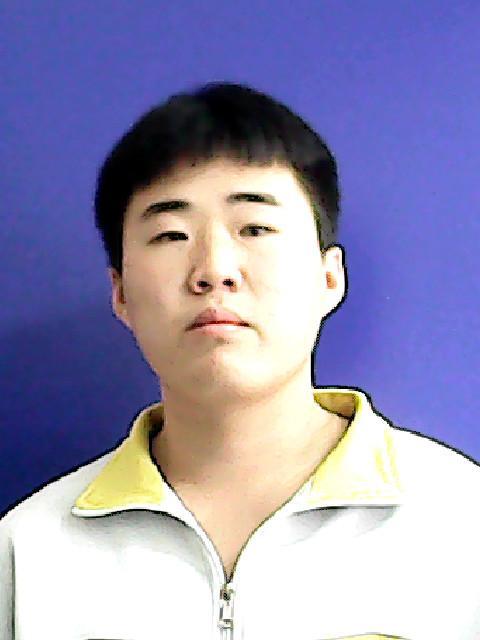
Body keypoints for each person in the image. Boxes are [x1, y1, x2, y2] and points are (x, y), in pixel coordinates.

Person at [1, 81, 479, 640]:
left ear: (329, 278)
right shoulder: (29, 553)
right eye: (171, 234)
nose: (214, 269)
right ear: (121, 294)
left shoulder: (460, 521)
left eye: (255, 228)